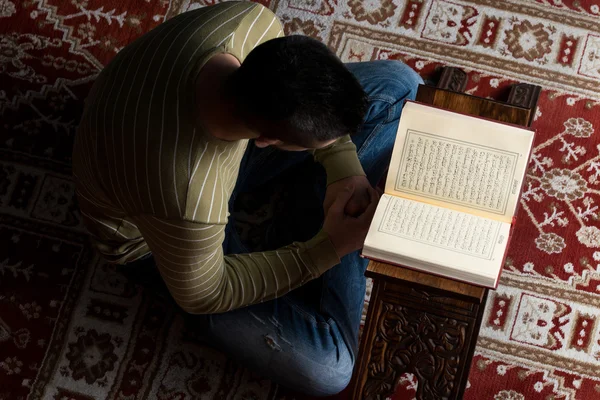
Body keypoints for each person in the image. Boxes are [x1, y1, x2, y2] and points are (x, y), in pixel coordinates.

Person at [72, 1, 422, 396]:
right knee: (329, 367)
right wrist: (332, 247)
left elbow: (317, 109)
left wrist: (346, 169)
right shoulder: (190, 200)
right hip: (157, 238)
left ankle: (319, 203)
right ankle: (325, 220)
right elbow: (208, 293)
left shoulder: (253, 23)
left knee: (399, 82)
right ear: (267, 141)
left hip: (173, 129)